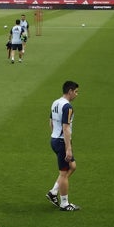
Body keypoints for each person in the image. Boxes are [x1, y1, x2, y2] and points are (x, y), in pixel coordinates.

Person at [47, 80, 80, 211]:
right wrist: (68, 148)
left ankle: (53, 192)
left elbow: (51, 122)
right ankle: (64, 203)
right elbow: (66, 128)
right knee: (63, 173)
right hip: (61, 141)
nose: (77, 95)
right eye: (76, 92)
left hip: (54, 139)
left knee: (72, 166)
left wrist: (55, 135)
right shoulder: (68, 107)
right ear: (70, 91)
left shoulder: (55, 102)